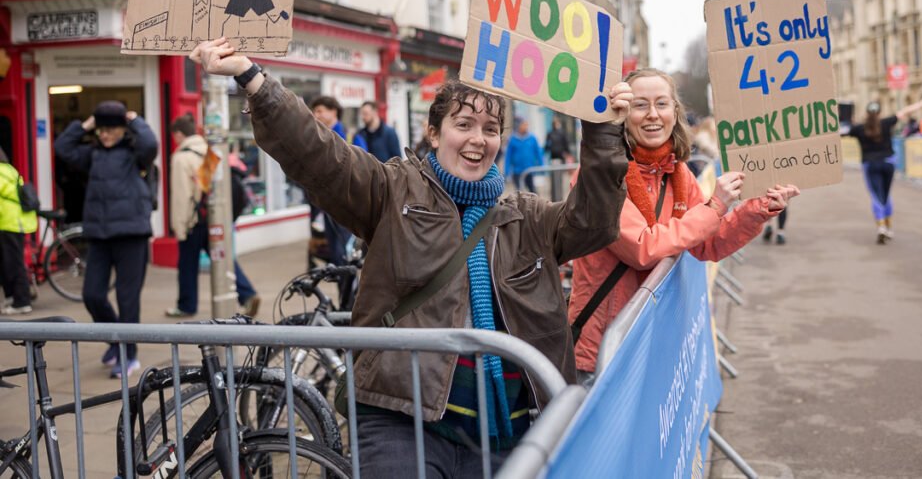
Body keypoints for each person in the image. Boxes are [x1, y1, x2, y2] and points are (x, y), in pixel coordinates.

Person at [190, 37, 631, 475]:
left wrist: (603, 131)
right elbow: (319, 153)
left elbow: (594, 221)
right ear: (434, 133)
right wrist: (253, 79)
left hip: (508, 434)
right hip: (399, 418)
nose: (478, 139)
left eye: (490, 129)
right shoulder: (391, 191)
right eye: (464, 125)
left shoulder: (528, 218)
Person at [568, 68, 798, 386]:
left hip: (655, 341)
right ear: (622, 113)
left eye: (661, 104)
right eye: (639, 105)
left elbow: (709, 241)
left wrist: (759, 208)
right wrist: (715, 205)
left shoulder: (677, 173)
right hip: (605, 350)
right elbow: (643, 249)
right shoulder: (599, 176)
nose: (652, 115)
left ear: (675, 113)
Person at [54, 101, 157, 379]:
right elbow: (62, 148)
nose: (105, 135)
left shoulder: (135, 154)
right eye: (101, 130)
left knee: (127, 298)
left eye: (111, 129)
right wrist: (86, 124)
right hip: (99, 235)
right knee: (92, 295)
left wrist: (134, 119)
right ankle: (115, 341)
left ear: (123, 129)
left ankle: (129, 355)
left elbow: (150, 143)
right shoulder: (92, 154)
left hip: (131, 235)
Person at [165, 115, 261, 318]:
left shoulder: (182, 157)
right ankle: (247, 293)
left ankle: (186, 305)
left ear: (179, 135)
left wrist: (180, 226)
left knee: (187, 265)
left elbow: (183, 196)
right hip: (213, 218)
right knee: (223, 259)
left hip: (194, 220)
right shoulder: (210, 152)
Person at [847, 96, 922, 244]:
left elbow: (843, 130)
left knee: (876, 196)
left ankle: (881, 226)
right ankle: (889, 227)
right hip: (888, 163)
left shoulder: (859, 128)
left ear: (866, 113)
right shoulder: (886, 123)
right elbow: (904, 111)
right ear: (879, 112)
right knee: (886, 195)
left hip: (870, 164)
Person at [309, 96, 364, 265]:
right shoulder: (317, 137)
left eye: (319, 111)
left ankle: (351, 290)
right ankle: (344, 290)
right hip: (324, 208)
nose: (315, 115)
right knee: (333, 256)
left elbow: (364, 169)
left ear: (333, 112)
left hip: (346, 207)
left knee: (345, 255)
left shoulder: (350, 137)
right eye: (314, 111)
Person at [0, 147, 36, 315]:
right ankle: (11, 297)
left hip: (10, 223)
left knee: (14, 263)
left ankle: (22, 301)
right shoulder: (8, 169)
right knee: (8, 262)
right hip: (12, 222)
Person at [504, 118, 544, 193]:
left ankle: (536, 204)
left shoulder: (532, 138)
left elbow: (538, 152)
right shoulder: (512, 139)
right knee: (519, 192)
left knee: (533, 191)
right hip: (517, 171)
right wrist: (507, 171)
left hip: (529, 170)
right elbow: (508, 156)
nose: (526, 127)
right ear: (519, 126)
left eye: (526, 125)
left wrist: (541, 166)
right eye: (524, 125)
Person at [544, 117, 573, 200]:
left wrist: (568, 153)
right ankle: (555, 195)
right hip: (554, 158)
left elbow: (565, 144)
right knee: (555, 177)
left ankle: (558, 195)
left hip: (558, 158)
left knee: (559, 176)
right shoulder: (552, 133)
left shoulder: (559, 133)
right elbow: (547, 145)